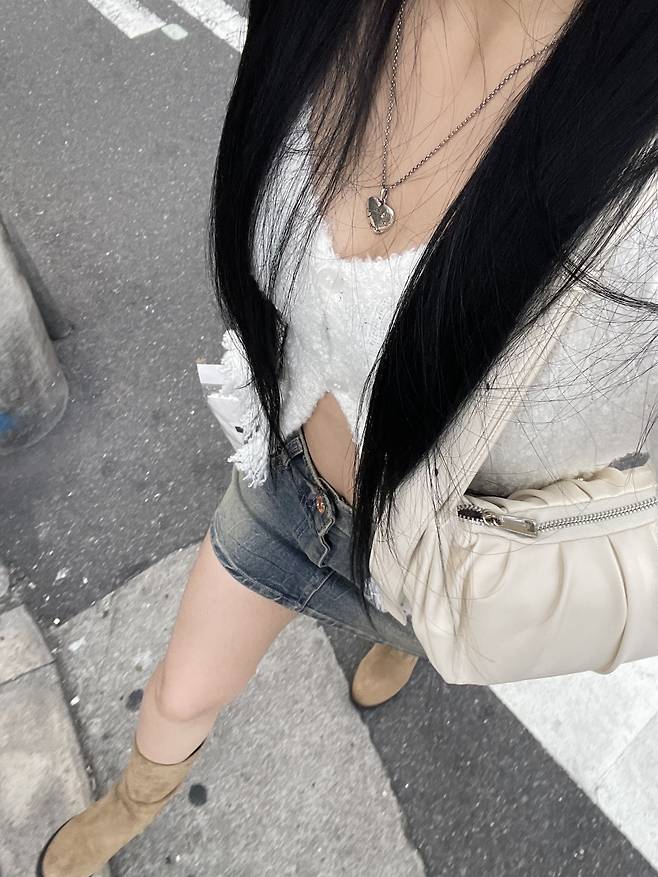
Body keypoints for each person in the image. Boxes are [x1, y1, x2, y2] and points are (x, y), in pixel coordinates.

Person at [37, 0, 658, 874]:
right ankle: (130, 805)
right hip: (290, 490)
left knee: (415, 635)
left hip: (445, 560)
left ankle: (398, 647)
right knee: (179, 690)